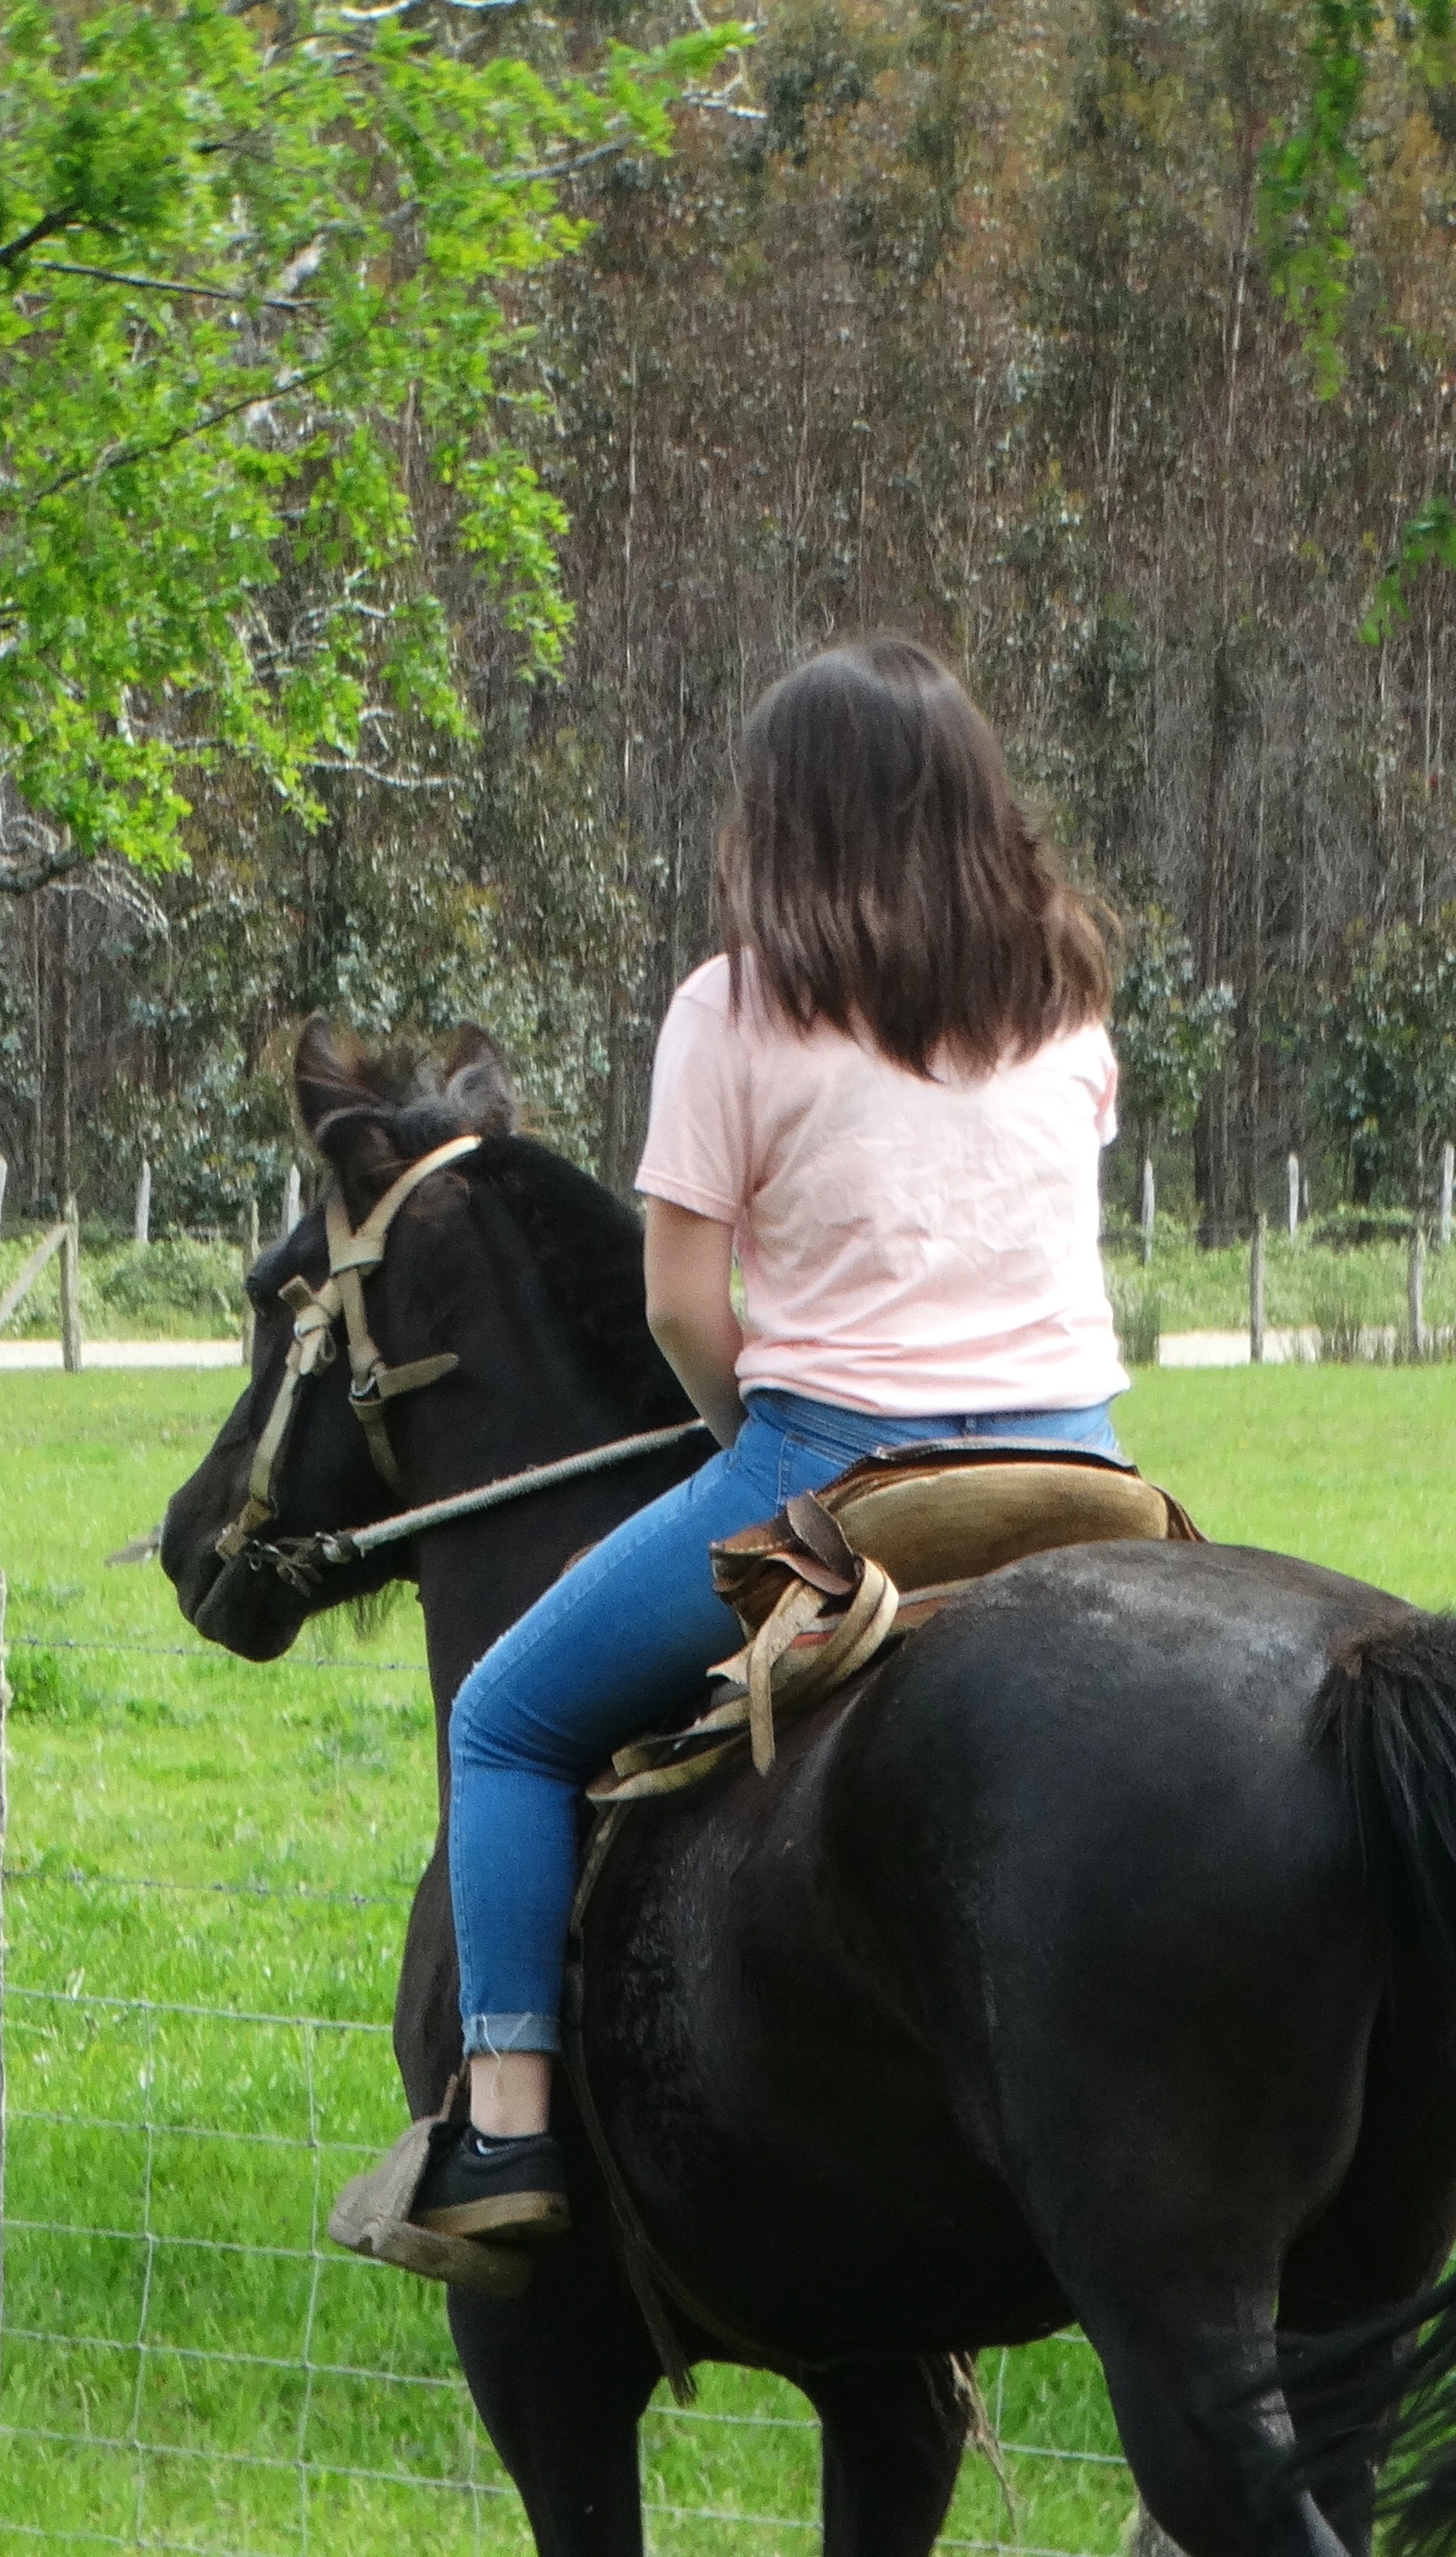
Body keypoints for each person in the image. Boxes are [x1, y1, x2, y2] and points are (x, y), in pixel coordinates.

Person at [396, 635, 1130, 2254]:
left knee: (509, 1721)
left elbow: (678, 1304)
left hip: (843, 1469)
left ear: (783, 819)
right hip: (1083, 1473)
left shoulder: (732, 1008)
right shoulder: (1064, 996)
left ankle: (503, 2129)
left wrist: (754, 1453)